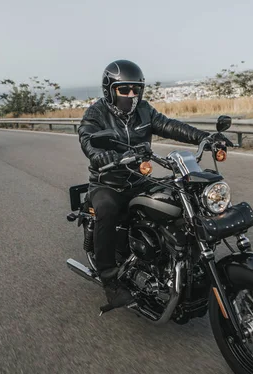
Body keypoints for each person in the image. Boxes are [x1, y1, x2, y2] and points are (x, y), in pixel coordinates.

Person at [78, 60, 210, 310]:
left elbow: (170, 126)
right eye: (124, 90)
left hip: (140, 180)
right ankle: (110, 281)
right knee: (106, 209)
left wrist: (203, 136)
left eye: (135, 90)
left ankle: (180, 265)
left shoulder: (145, 111)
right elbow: (87, 138)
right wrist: (100, 155)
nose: (131, 95)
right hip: (108, 182)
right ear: (109, 89)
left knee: (180, 200)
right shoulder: (96, 113)